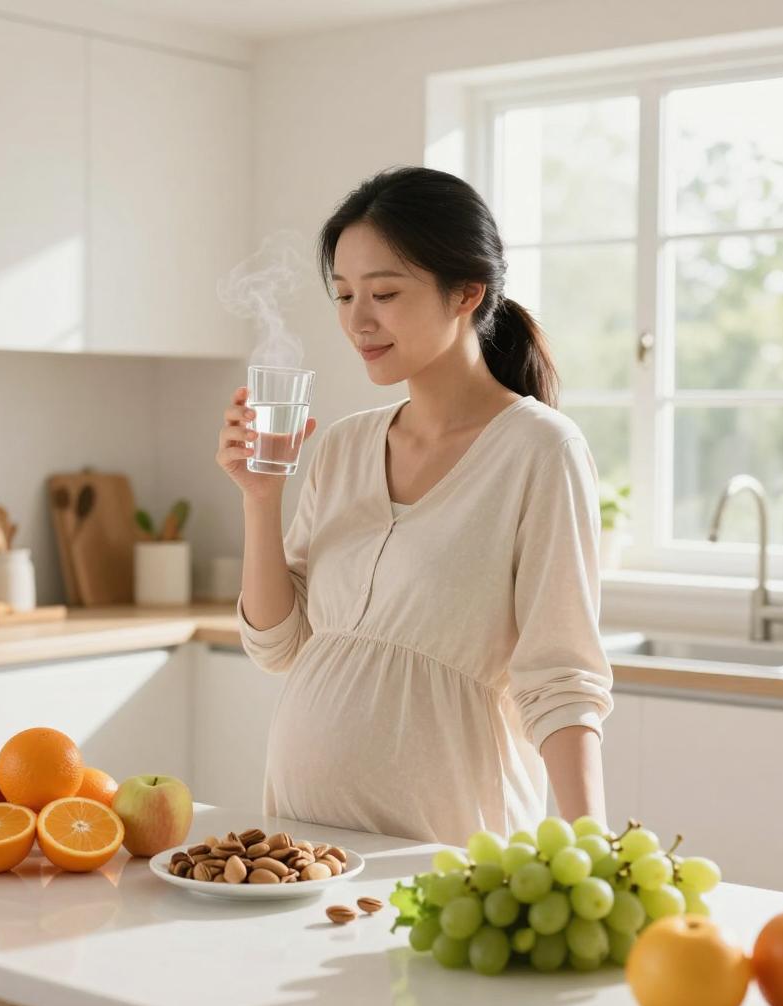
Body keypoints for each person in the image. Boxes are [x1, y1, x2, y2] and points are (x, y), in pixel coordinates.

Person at [215, 165, 613, 845]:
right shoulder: (343, 447)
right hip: (301, 847)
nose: (358, 321)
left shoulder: (540, 451)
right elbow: (280, 646)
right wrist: (260, 499)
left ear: (466, 292)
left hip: (449, 848)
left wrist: (594, 851)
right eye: (344, 295)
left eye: (385, 293)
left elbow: (561, 678)